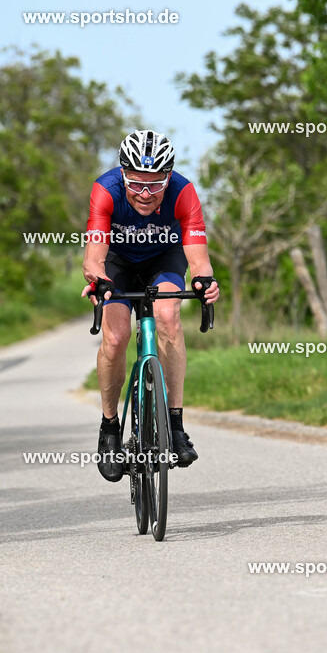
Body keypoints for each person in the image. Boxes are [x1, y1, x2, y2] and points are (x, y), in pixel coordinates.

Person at [81, 129, 220, 482]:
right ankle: (109, 428)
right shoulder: (106, 189)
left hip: (164, 258)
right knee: (115, 338)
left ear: (168, 177)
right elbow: (94, 257)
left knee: (169, 316)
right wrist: (98, 280)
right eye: (136, 183)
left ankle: (175, 426)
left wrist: (205, 281)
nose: (145, 194)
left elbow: (199, 260)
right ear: (123, 174)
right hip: (118, 262)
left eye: (155, 184)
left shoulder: (184, 193)